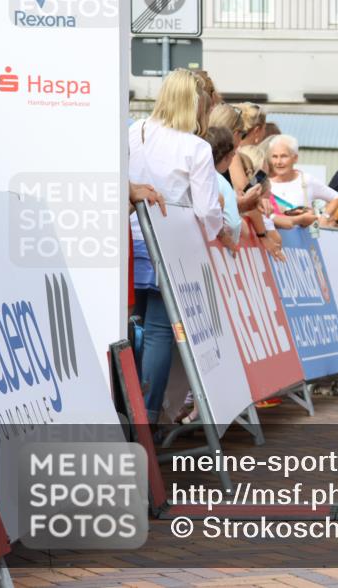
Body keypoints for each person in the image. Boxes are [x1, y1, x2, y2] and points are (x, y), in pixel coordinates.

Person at [129, 69, 227, 424]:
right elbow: (206, 212)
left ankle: (128, 408)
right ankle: (149, 415)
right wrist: (217, 223)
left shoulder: (133, 132)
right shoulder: (196, 148)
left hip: (129, 238)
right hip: (168, 246)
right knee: (158, 332)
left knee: (129, 327)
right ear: (197, 104)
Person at [268, 134, 338, 225]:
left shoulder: (307, 180)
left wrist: (324, 217)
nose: (278, 162)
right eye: (274, 157)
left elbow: (336, 198)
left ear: (295, 158)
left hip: (303, 237)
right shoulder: (266, 184)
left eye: (284, 156)